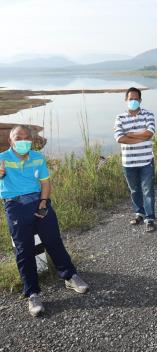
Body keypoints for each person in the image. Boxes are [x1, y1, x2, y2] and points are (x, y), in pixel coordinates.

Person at [0, 125, 89, 317]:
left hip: (38, 201)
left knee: (53, 240)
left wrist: (43, 203)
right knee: (24, 249)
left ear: (31, 140)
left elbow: (45, 183)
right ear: (10, 140)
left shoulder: (37, 157)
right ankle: (32, 293)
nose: (23, 140)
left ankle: (70, 276)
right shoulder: (2, 159)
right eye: (18, 137)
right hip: (15, 205)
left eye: (26, 137)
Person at [114, 87, 156, 232]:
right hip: (128, 162)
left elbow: (150, 133)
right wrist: (140, 137)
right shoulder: (120, 117)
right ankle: (139, 213)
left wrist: (130, 134)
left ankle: (149, 218)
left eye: (136, 99)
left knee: (148, 191)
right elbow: (119, 138)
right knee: (134, 190)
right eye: (131, 99)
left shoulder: (148, 114)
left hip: (146, 161)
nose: (133, 101)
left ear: (140, 100)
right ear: (126, 100)